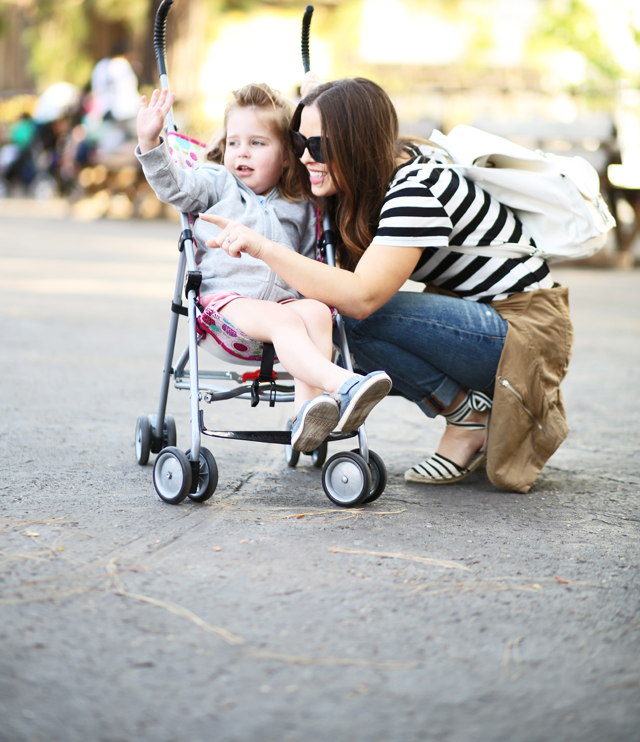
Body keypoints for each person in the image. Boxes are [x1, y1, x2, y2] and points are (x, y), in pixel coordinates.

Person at [203, 75, 574, 493]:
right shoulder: (377, 176)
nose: (306, 158)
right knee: (334, 327)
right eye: (299, 144)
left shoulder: (415, 189)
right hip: (485, 320)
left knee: (350, 317)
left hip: (525, 330)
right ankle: (468, 416)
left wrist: (263, 247)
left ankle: (468, 417)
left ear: (357, 142)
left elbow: (362, 297)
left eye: (319, 146)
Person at [136, 81, 392, 454]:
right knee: (285, 320)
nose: (242, 153)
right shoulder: (216, 184)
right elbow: (174, 186)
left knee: (319, 312)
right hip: (225, 308)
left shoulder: (301, 204)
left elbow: (309, 267)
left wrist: (315, 101)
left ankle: (306, 414)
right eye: (234, 143)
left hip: (282, 308)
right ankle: (344, 384)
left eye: (257, 143)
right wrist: (149, 144)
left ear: (288, 156)